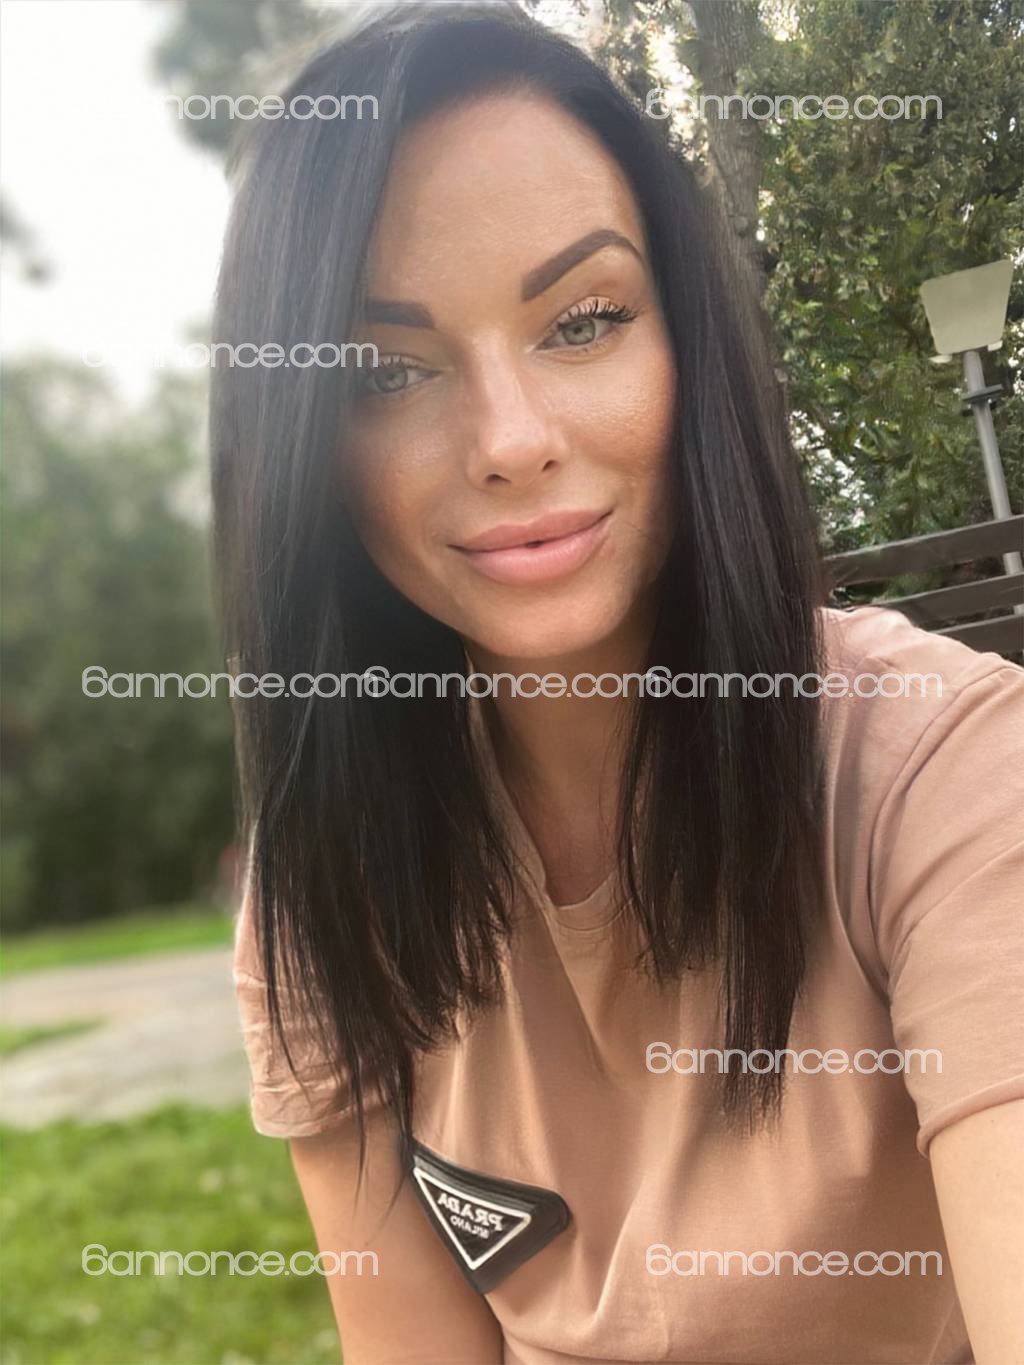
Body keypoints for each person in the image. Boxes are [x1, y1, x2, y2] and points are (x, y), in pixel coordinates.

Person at [210, 4, 1024, 1361]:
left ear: (685, 347)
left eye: (584, 322)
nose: (511, 438)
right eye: (389, 370)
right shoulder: (323, 887)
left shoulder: (947, 775)